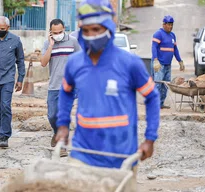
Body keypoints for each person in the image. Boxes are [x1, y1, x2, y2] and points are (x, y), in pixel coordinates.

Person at [55, 0, 160, 173]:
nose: (91, 35)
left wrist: (150, 138)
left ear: (108, 28)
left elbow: (152, 97)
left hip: (121, 157)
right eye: (86, 30)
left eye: (96, 29)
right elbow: (66, 92)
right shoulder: (75, 63)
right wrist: (63, 124)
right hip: (83, 153)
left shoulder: (129, 63)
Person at [40, 19, 81, 157]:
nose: (58, 34)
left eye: (60, 32)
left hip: (69, 86)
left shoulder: (73, 41)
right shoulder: (47, 43)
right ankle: (57, 133)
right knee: (52, 115)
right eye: (55, 32)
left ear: (65, 28)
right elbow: (44, 63)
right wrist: (51, 46)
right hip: (53, 86)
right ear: (50, 32)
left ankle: (62, 145)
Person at [0, 16, 25, 148]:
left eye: (2, 29)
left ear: (8, 28)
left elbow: (20, 60)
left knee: (5, 106)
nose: (0, 30)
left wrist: (20, 79)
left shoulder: (15, 40)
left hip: (8, 79)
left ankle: (4, 135)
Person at [152, 15, 185, 109]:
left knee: (166, 85)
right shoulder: (158, 34)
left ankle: (161, 104)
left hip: (168, 65)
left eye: (172, 25)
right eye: (169, 25)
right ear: (164, 24)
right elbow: (154, 47)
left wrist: (180, 61)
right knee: (158, 85)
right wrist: (155, 60)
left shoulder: (172, 35)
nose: (170, 27)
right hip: (159, 64)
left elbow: (175, 49)